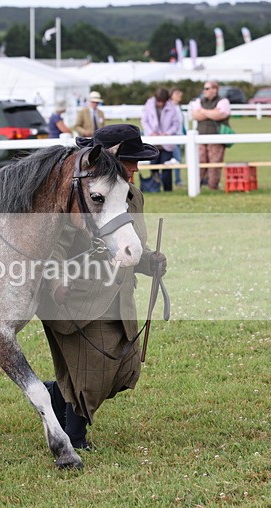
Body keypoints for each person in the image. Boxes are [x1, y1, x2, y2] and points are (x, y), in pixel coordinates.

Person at [39, 124, 168, 450]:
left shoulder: (133, 195)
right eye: (130, 160)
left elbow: (129, 246)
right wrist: (56, 282)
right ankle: (74, 438)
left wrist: (149, 261)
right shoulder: (80, 195)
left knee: (122, 370)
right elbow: (52, 246)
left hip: (119, 296)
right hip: (78, 295)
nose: (137, 168)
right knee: (90, 372)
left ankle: (53, 394)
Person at [191, 80, 231, 190]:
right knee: (199, 162)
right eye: (204, 88)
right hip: (200, 137)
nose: (205, 91)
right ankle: (196, 185)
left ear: (215, 89)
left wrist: (203, 111)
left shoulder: (223, 101)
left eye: (207, 88)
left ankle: (213, 186)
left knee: (215, 164)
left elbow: (220, 114)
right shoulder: (199, 101)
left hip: (216, 138)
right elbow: (195, 115)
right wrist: (211, 112)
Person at [140, 87, 181, 192]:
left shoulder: (171, 107)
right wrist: (150, 132)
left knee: (167, 167)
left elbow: (176, 124)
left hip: (166, 142)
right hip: (153, 141)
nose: (161, 104)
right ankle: (155, 188)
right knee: (154, 166)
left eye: (163, 101)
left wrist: (167, 133)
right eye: (159, 101)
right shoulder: (148, 105)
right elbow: (144, 121)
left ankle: (168, 189)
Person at [170, 88, 185, 187]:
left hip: (180, 136)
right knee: (177, 158)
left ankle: (177, 179)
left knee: (178, 159)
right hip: (172, 137)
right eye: (177, 93)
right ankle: (178, 180)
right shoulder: (169, 107)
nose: (179, 95)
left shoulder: (179, 107)